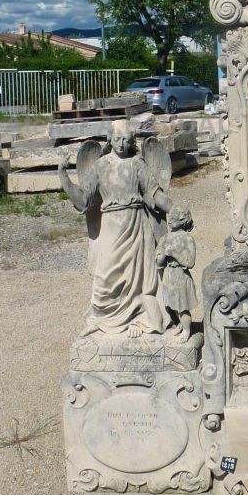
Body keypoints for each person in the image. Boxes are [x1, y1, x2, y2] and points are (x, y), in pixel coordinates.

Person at [59, 120, 171, 338]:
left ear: (132, 141)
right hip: (111, 227)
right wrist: (64, 177)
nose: (121, 144)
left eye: (126, 140)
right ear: (109, 139)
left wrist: (174, 209)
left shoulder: (137, 164)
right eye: (117, 139)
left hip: (136, 226)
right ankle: (100, 319)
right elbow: (84, 200)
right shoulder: (101, 166)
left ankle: (137, 319)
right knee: (104, 277)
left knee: (138, 280)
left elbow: (155, 194)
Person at [155, 205, 197, 342]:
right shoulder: (165, 238)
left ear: (183, 220)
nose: (170, 220)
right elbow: (158, 262)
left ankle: (186, 330)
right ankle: (179, 324)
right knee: (169, 304)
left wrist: (174, 253)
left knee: (182, 306)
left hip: (180, 275)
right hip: (168, 274)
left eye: (174, 218)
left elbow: (190, 262)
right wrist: (163, 255)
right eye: (170, 217)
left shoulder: (187, 238)